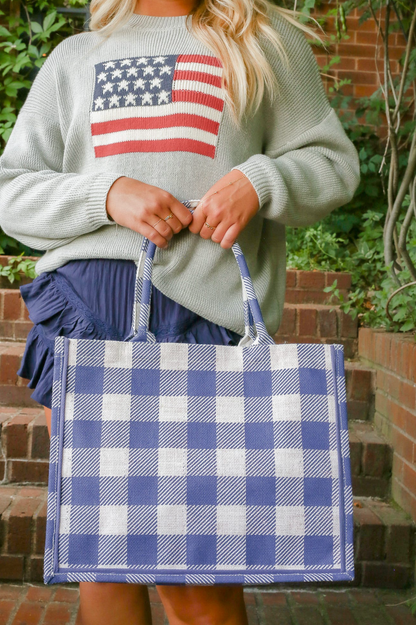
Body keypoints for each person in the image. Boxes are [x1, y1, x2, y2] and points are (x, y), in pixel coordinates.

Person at [0, 0, 360, 622]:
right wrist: (105, 194)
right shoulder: (76, 57)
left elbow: (333, 165)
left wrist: (261, 181)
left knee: (199, 581)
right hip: (85, 318)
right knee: (104, 563)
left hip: (202, 321)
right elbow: (12, 189)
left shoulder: (263, 43)